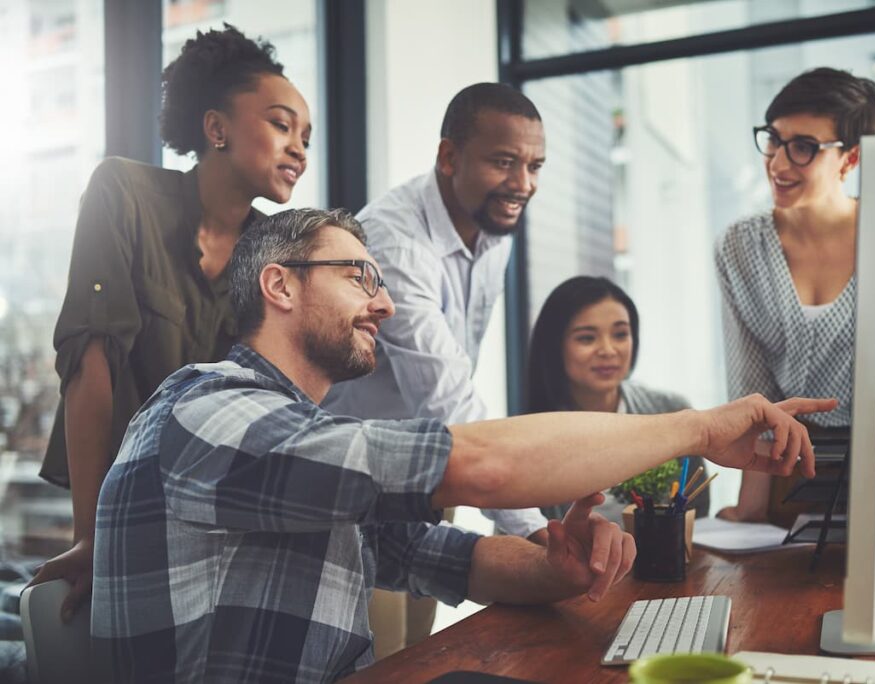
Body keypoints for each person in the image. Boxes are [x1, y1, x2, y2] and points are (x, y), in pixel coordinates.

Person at [91, 207, 834, 683]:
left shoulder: (297, 438)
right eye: (360, 277)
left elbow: (448, 557)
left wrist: (558, 567)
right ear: (279, 287)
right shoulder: (206, 410)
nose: (383, 302)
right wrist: (701, 428)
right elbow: (479, 464)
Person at [29, 24, 313, 620]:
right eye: (282, 124)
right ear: (217, 129)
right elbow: (90, 363)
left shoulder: (275, 252)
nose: (299, 150)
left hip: (214, 518)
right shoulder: (124, 193)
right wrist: (91, 536)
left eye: (306, 137)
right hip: (117, 500)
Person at [322, 82, 550, 649]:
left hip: (425, 465)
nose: (523, 184)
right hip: (358, 479)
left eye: (534, 165)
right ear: (449, 157)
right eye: (504, 162)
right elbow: (447, 397)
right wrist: (537, 530)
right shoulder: (395, 245)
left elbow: (458, 364)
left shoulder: (493, 227)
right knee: (380, 657)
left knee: (420, 649)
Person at [714, 67, 875, 524]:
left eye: (803, 148)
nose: (778, 163)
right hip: (784, 468)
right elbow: (751, 397)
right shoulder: (739, 246)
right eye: (773, 140)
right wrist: (750, 509)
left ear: (850, 159)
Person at [526, 276, 709, 524]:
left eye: (620, 334)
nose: (608, 350)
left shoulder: (672, 412)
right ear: (555, 346)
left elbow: (697, 516)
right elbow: (515, 533)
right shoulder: (530, 435)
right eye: (587, 338)